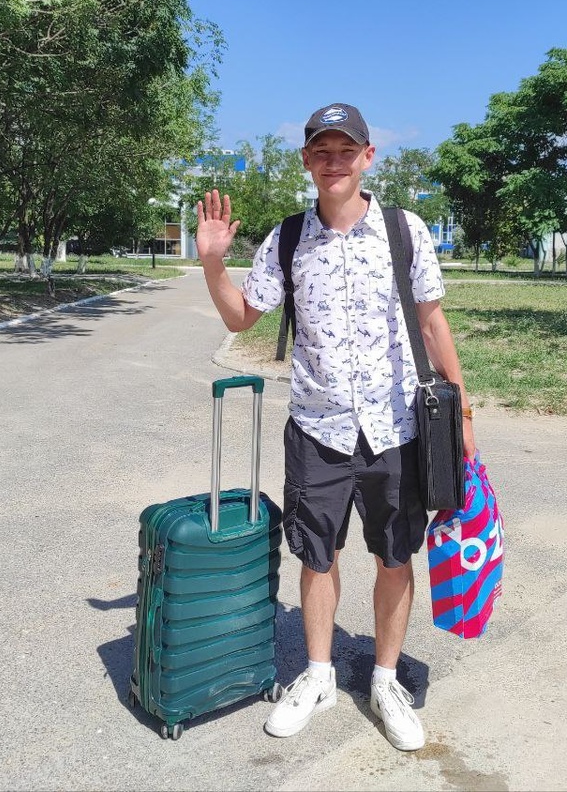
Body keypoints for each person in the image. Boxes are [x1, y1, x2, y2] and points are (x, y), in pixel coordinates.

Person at [195, 102, 475, 752]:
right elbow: (240, 317)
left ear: (367, 157)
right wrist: (212, 263)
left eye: (345, 150)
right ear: (306, 161)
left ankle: (385, 680)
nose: (334, 161)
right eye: (321, 151)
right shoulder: (288, 238)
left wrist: (462, 411)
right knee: (316, 557)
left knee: (395, 556)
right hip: (317, 428)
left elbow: (432, 322)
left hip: (395, 427)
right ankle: (319, 674)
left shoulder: (405, 230)